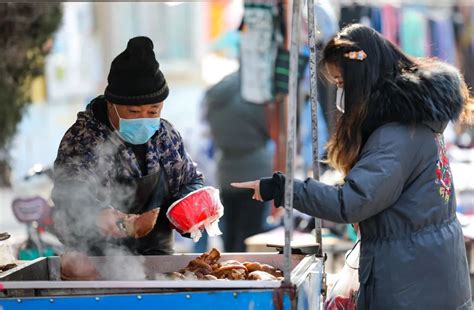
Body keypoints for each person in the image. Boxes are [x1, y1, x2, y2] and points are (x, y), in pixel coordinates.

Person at [232, 24, 472, 309]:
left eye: (341, 84)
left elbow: (352, 203)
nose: (340, 95)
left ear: (361, 79)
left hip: (410, 284)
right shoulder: (416, 122)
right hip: (429, 275)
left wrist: (283, 188)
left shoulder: (395, 135)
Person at [52, 37, 203, 256]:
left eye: (153, 111)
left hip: (157, 258)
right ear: (111, 103)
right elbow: (68, 193)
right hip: (96, 262)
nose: (144, 118)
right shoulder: (83, 139)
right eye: (133, 112)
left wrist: (191, 205)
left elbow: (189, 180)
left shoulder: (165, 136)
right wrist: (96, 213)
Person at [204, 72, 273, 252]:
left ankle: (230, 272)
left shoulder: (213, 97)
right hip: (254, 171)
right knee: (250, 235)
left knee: (230, 232)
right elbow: (269, 128)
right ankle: (243, 275)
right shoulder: (250, 96)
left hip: (225, 170)